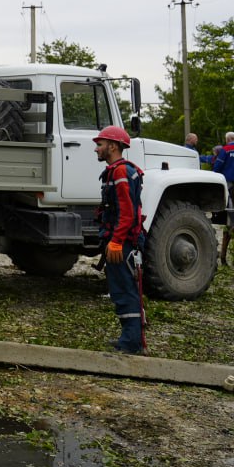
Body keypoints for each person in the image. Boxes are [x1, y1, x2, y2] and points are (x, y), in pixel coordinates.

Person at [93, 126, 146, 355]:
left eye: (100, 144)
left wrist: (116, 241)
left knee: (125, 290)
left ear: (113, 146)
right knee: (121, 290)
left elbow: (127, 212)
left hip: (122, 242)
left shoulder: (120, 173)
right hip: (120, 240)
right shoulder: (117, 171)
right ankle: (129, 338)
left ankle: (132, 344)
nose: (97, 148)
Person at [210, 131, 234, 265]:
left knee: (229, 220)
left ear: (227, 140)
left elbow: (217, 167)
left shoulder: (225, 150)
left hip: (229, 185)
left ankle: (223, 257)